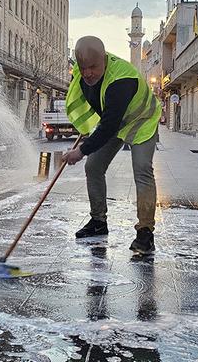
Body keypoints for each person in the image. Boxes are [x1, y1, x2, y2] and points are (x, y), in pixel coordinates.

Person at [63, 35, 162, 254]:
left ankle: (145, 233)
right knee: (93, 167)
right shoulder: (82, 74)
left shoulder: (122, 79)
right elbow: (101, 110)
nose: (88, 73)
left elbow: (108, 125)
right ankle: (98, 222)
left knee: (142, 169)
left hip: (142, 120)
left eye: (93, 67)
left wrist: (80, 151)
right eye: (83, 67)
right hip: (116, 121)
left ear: (104, 60)